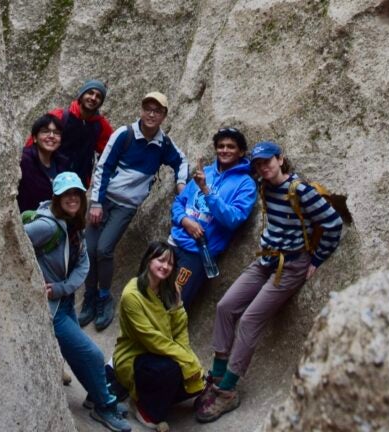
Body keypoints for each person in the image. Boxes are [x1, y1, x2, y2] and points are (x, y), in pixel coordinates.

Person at [194, 141, 343, 423]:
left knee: (250, 320)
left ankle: (227, 390)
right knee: (225, 306)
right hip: (266, 259)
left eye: (268, 161)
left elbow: (333, 223)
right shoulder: (265, 187)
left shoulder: (301, 191)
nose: (264, 168)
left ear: (280, 159)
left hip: (291, 265)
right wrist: (205, 186)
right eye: (259, 164)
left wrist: (316, 260)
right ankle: (218, 374)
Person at [23, 172, 131, 432]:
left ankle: (98, 397)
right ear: (57, 197)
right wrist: (31, 283)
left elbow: (83, 262)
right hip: (52, 308)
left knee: (79, 355)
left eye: (76, 194)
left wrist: (63, 288)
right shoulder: (48, 226)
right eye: (66, 194)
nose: (72, 198)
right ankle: (104, 408)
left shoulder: (73, 223)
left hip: (64, 300)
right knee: (92, 354)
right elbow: (16, 241)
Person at [80, 92, 189, 331]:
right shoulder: (125, 134)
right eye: (147, 109)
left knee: (104, 249)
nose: (151, 114)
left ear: (164, 116)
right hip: (104, 200)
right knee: (89, 248)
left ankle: (103, 297)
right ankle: (89, 297)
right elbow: (103, 167)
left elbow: (181, 161)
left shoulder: (163, 144)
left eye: (157, 111)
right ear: (141, 110)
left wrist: (181, 183)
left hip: (126, 206)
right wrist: (96, 203)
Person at [113, 241, 205, 431]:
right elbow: (151, 339)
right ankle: (145, 409)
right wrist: (186, 360)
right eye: (161, 260)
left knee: (197, 381)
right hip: (136, 354)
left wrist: (188, 357)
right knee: (172, 370)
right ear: (148, 260)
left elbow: (180, 328)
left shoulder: (171, 289)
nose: (165, 266)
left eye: (170, 263)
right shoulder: (132, 294)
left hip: (165, 351)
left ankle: (149, 395)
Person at [169, 127, 257, 309]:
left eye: (231, 147)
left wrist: (206, 190)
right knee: (146, 293)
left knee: (175, 306)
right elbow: (179, 202)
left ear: (241, 152)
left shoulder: (246, 184)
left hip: (197, 253)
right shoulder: (206, 172)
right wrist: (185, 221)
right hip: (173, 242)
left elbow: (233, 219)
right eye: (221, 146)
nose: (224, 150)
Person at [25, 79, 114, 188]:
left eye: (98, 96)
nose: (93, 98)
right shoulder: (60, 116)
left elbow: (111, 151)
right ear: (81, 95)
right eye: (90, 93)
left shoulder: (101, 126)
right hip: (51, 177)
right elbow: (35, 141)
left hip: (78, 183)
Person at [17, 114, 69, 212]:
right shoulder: (23, 161)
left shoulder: (62, 163)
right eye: (45, 131)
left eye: (56, 133)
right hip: (27, 217)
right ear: (35, 138)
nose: (51, 136)